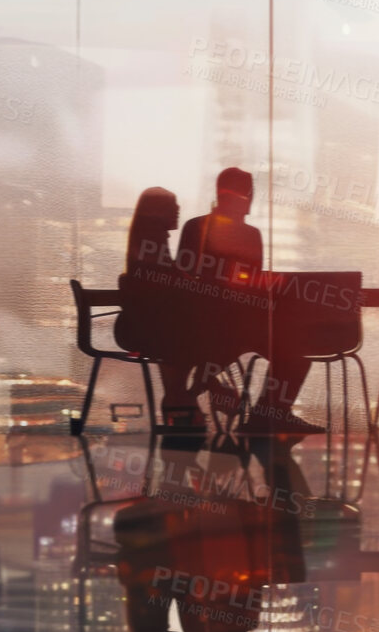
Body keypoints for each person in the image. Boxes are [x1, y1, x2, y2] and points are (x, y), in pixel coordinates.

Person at [177, 168, 318, 433]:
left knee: (293, 354)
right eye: (248, 193)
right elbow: (251, 282)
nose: (251, 198)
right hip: (228, 323)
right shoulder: (250, 235)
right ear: (242, 196)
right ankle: (269, 414)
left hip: (209, 323)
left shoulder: (196, 227)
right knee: (294, 355)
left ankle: (256, 410)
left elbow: (184, 276)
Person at [116, 187, 215, 429]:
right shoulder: (152, 240)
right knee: (198, 338)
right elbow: (174, 278)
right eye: (173, 205)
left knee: (184, 345)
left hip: (144, 326)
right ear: (157, 211)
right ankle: (184, 405)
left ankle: (182, 408)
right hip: (152, 329)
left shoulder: (146, 238)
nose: (178, 210)